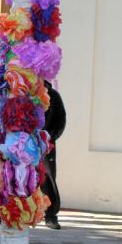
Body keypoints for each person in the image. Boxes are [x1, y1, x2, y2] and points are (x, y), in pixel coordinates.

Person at [42, 80, 66, 229]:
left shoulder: (53, 95)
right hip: (23, 144)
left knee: (48, 178)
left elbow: (60, 121)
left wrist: (49, 137)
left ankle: (50, 215)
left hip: (46, 145)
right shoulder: (24, 93)